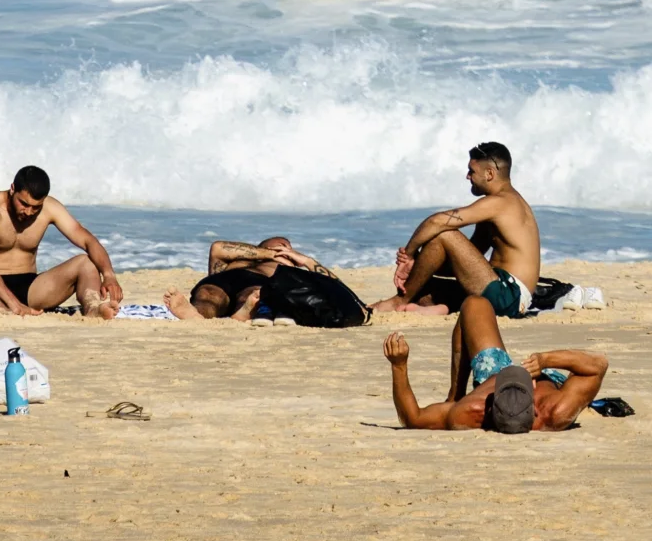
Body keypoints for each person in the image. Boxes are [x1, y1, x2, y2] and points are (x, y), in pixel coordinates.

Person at [383, 294, 607, 432]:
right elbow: (598, 364)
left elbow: (413, 419)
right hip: (551, 380)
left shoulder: (472, 410)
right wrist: (545, 360)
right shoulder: (556, 411)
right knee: (476, 303)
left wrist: (399, 366)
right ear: (535, 407)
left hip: (490, 375)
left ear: (490, 404)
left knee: (474, 303)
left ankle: (454, 394)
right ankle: (455, 393)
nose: (516, 370)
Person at [372, 142, 540, 318]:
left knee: (445, 233)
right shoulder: (502, 204)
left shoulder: (501, 202)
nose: (467, 176)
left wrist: (410, 254)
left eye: (471, 171)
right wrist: (419, 268)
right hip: (499, 289)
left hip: (510, 296)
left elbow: (437, 222)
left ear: (489, 173)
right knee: (421, 286)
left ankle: (399, 301)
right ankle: (441, 307)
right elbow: (469, 256)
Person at [0, 166, 123, 319]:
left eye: (36, 207)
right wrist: (14, 305)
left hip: (30, 289)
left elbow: (87, 240)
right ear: (12, 189)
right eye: (23, 203)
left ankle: (93, 309)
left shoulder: (50, 208)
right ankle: (7, 314)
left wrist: (109, 275)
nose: (29, 212)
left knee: (85, 262)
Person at [164, 237, 337, 320]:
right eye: (281, 245)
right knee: (208, 294)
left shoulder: (289, 268)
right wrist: (270, 254)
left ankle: (244, 312)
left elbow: (333, 286)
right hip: (221, 280)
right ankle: (197, 316)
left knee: (251, 294)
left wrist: (306, 261)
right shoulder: (237, 260)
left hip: (258, 283)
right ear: (261, 247)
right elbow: (218, 247)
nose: (287, 248)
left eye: (289, 248)